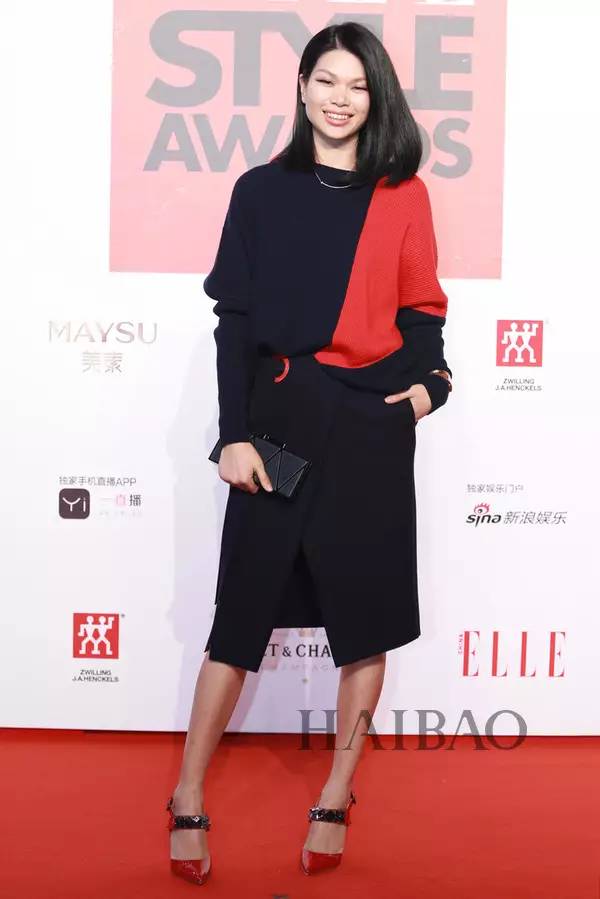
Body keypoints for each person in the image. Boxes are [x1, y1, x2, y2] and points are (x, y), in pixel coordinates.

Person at [166, 21, 453, 885]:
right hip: (279, 426)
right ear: (300, 87)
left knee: (365, 623)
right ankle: (186, 790)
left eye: (358, 85)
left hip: (367, 428)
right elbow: (235, 324)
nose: (340, 98)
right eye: (327, 80)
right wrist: (234, 433)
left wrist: (428, 387)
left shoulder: (403, 193)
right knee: (239, 619)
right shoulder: (260, 191)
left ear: (377, 97)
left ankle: (335, 790)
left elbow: (423, 312)